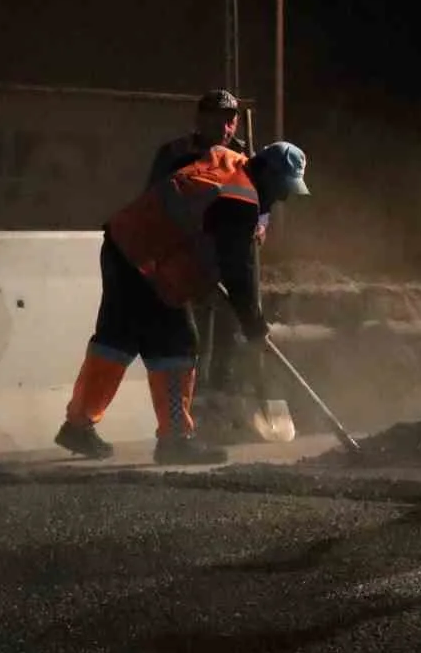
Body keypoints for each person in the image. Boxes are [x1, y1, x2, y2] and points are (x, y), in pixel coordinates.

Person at [54, 141, 311, 466]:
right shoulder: (240, 200)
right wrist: (254, 324)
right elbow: (239, 272)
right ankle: (175, 440)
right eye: (283, 189)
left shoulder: (226, 164)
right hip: (149, 260)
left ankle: (77, 425)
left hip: (124, 244)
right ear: (269, 175)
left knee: (116, 338)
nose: (283, 198)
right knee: (177, 344)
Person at [145, 90, 266, 420]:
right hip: (194, 253)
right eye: (216, 119)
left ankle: (223, 402)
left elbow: (261, 200)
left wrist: (260, 222)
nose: (224, 127)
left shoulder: (245, 155)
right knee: (198, 331)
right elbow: (155, 200)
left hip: (235, 254)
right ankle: (191, 407)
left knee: (235, 325)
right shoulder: (175, 154)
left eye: (230, 120)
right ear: (200, 120)